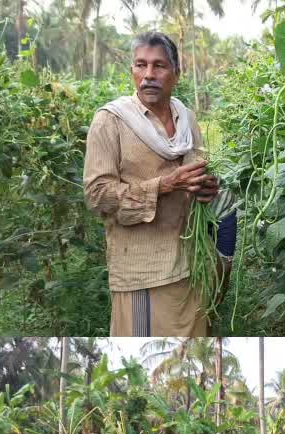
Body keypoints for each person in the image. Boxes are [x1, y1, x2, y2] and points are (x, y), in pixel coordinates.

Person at [83, 31, 221, 337]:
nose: (148, 75)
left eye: (159, 66)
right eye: (140, 65)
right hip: (142, 273)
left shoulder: (188, 119)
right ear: (131, 71)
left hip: (192, 266)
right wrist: (163, 185)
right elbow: (97, 196)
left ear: (176, 73)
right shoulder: (110, 121)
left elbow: (199, 179)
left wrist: (207, 189)